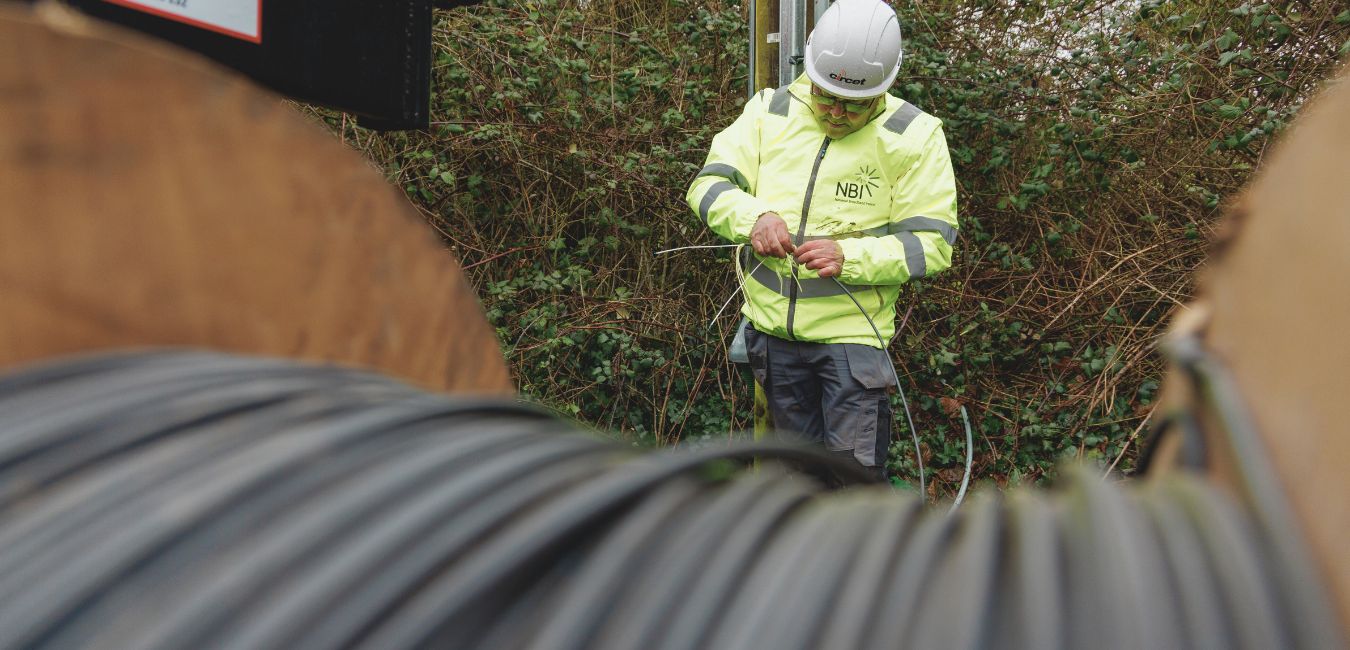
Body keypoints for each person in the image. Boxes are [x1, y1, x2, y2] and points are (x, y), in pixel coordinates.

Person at [686, 0, 958, 480]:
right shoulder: (769, 112)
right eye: (826, 95)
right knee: (795, 480)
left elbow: (931, 244)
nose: (835, 112)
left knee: (853, 482)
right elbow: (707, 186)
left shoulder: (913, 136)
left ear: (884, 90)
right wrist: (755, 217)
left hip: (852, 346)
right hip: (773, 339)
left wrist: (849, 256)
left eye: (853, 105)